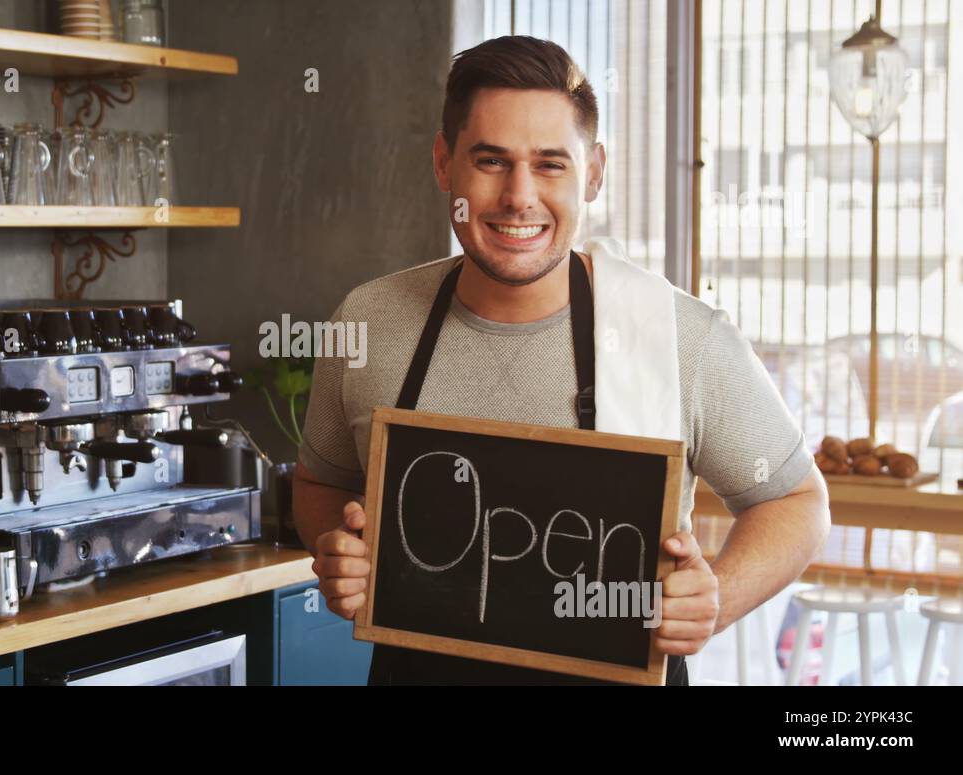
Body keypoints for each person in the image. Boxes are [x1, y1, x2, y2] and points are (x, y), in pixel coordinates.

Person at [292, 35, 831, 685]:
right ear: (443, 164)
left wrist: (712, 598)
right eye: (491, 160)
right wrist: (339, 549)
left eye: (551, 164)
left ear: (594, 172)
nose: (519, 196)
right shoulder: (369, 321)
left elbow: (797, 500)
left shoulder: (679, 335)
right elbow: (321, 482)